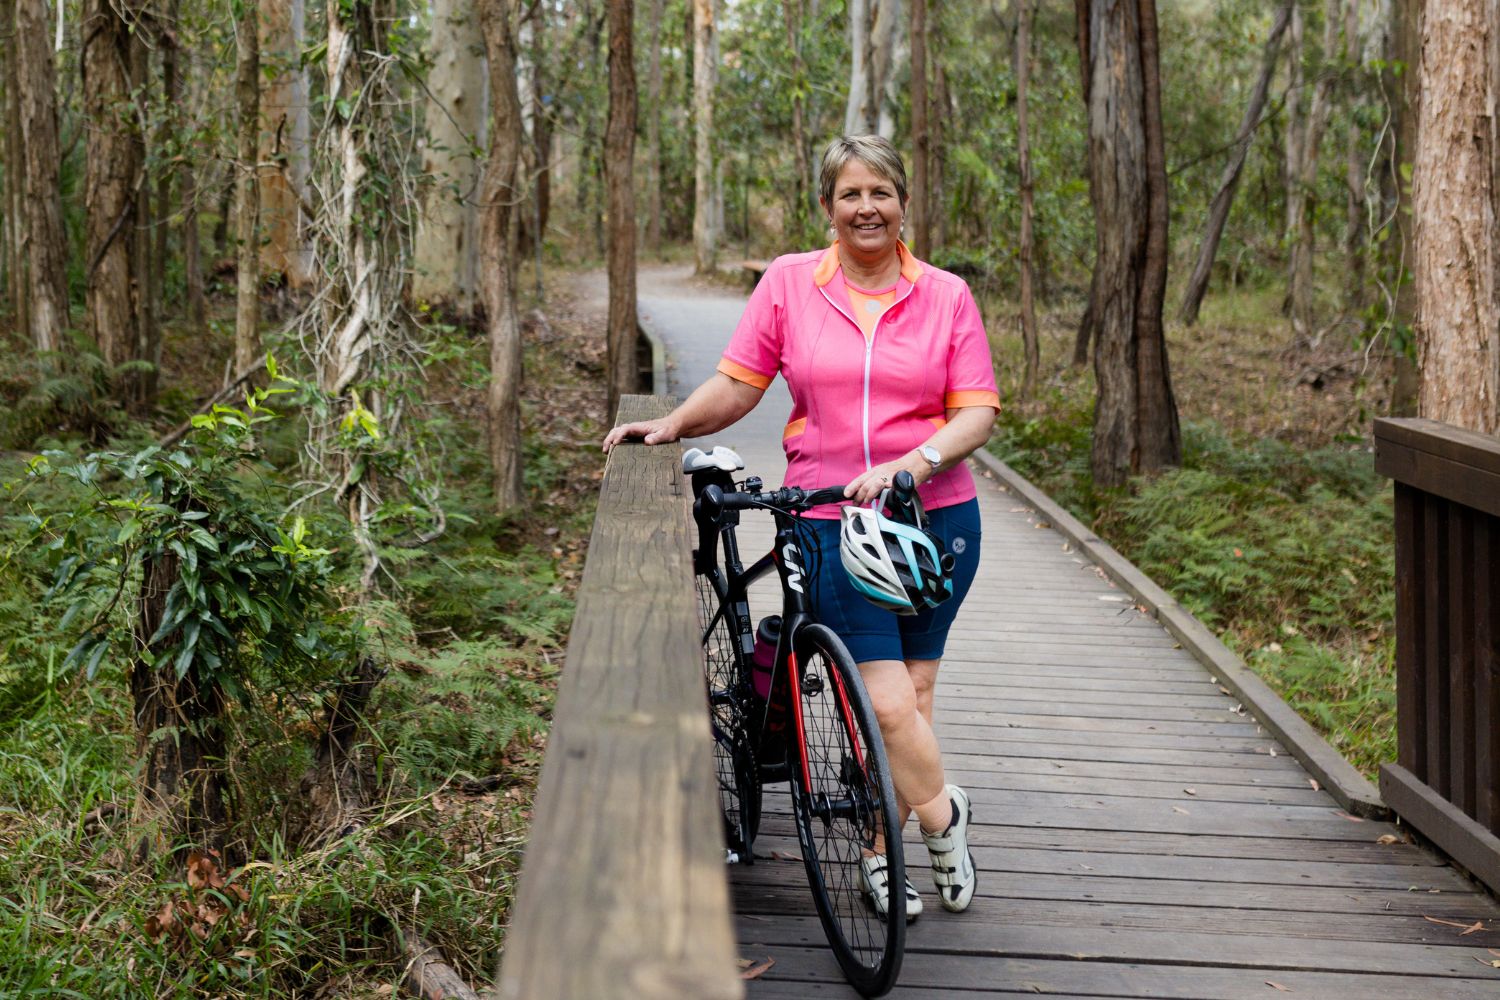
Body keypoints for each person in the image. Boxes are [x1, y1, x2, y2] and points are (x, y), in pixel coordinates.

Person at [603, 135, 998, 921]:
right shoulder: (790, 283)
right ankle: (943, 820)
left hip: (935, 516)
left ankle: (885, 855)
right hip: (828, 517)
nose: (866, 208)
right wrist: (673, 422)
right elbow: (739, 382)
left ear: (904, 204)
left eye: (881, 192)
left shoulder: (947, 295)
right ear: (827, 207)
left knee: (916, 692)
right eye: (850, 194)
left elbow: (977, 410)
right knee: (884, 703)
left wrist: (912, 463)